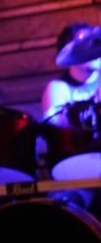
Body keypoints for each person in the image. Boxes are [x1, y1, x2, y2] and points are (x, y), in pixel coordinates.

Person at [41, 21, 100, 211]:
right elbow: (57, 135)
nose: (93, 47)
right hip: (75, 171)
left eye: (96, 42)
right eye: (84, 43)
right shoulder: (58, 88)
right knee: (72, 199)